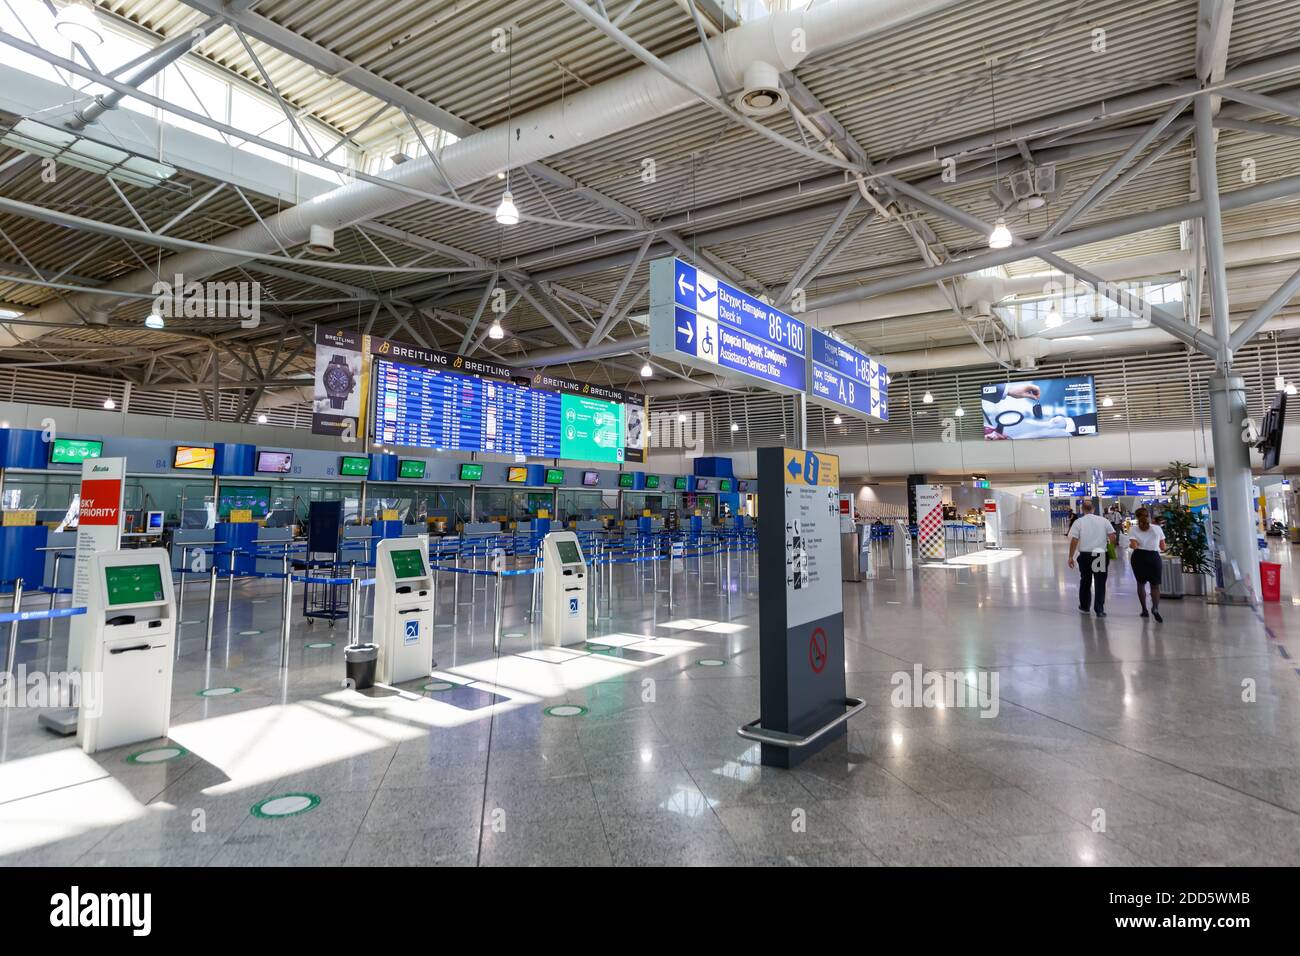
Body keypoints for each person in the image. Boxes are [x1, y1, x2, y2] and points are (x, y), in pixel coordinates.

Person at [1067, 500, 1118, 617]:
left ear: (1082, 509)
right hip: (1099, 554)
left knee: (1085, 581)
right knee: (1100, 582)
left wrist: (1070, 556)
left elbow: (1074, 540)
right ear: (1093, 509)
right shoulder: (1103, 521)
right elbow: (1112, 536)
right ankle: (1099, 609)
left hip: (1085, 555)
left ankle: (1085, 606)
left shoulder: (1079, 522)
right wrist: (1110, 547)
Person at [1128, 507, 1167, 622]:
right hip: (1154, 558)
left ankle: (1144, 610)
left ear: (1137, 517)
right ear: (1148, 516)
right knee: (1155, 585)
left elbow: (1134, 546)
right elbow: (1163, 547)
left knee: (1141, 584)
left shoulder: (1133, 529)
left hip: (1139, 557)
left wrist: (1132, 545)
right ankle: (1155, 608)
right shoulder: (1157, 529)